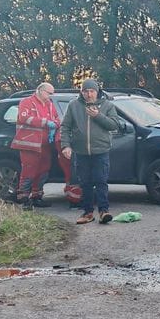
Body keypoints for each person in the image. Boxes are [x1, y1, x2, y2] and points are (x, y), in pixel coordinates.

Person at [60, 78, 121, 225]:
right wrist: (65, 145)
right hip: (81, 152)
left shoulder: (107, 105)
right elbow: (65, 127)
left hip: (101, 150)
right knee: (85, 183)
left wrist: (97, 116)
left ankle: (103, 211)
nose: (89, 94)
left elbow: (114, 125)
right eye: (86, 91)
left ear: (97, 91)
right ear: (81, 92)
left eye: (92, 91)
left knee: (101, 182)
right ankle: (87, 213)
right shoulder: (73, 105)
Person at [9, 82, 59, 209]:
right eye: (49, 93)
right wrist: (46, 122)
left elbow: (57, 119)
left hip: (45, 145)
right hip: (29, 144)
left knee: (43, 170)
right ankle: (23, 198)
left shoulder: (50, 105)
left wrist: (54, 126)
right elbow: (25, 118)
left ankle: (37, 196)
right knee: (29, 170)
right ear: (40, 91)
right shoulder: (26, 102)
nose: (50, 96)